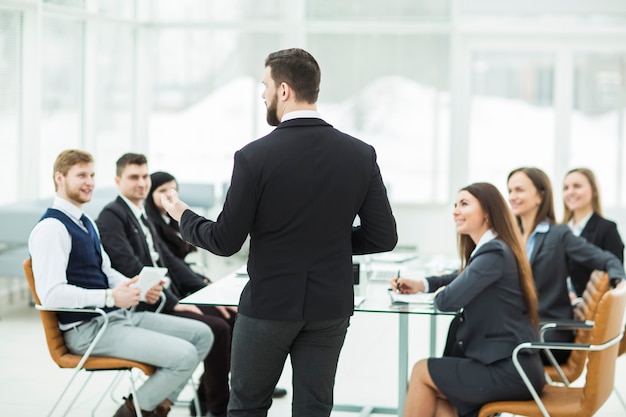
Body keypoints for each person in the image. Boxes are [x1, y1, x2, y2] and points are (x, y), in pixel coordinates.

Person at [161, 48, 398, 417]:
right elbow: (384, 236)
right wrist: (330, 242)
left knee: (247, 406)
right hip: (329, 306)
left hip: (269, 304)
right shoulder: (360, 154)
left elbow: (225, 241)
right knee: (314, 408)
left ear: (283, 90)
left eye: (265, 85)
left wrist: (182, 214)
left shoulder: (254, 157)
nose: (262, 94)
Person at [27, 149, 213, 417]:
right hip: (87, 330)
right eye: (81, 175)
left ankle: (156, 405)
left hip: (115, 318)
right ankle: (131, 411)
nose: (89, 182)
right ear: (60, 178)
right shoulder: (51, 230)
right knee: (184, 355)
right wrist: (111, 298)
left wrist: (137, 289)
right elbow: (51, 295)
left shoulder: (85, 221)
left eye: (91, 175)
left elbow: (106, 271)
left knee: (202, 334)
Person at [96, 153, 236, 417]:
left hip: (166, 297)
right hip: (148, 303)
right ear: (118, 181)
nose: (141, 183)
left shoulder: (141, 214)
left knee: (232, 316)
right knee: (217, 328)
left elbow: (170, 262)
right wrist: (177, 303)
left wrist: (205, 291)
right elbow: (130, 269)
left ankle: (209, 397)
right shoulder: (112, 217)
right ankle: (217, 408)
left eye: (145, 176)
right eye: (133, 177)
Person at [401, 182, 545, 417]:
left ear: (487, 212)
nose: (455, 211)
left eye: (464, 204)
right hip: (509, 363)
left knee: (421, 371)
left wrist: (441, 293)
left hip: (509, 370)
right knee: (436, 400)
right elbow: (461, 276)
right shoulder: (494, 248)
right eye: (455, 205)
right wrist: (423, 284)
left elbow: (447, 301)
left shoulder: (494, 253)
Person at [562, 167, 624, 297]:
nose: (570, 192)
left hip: (588, 311)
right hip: (557, 307)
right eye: (566, 188)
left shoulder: (607, 229)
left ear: (594, 191)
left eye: (577, 186)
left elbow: (614, 276)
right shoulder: (559, 230)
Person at [145, 171, 197, 261]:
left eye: (173, 190)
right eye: (162, 190)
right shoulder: (150, 224)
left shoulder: (171, 219)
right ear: (149, 194)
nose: (169, 195)